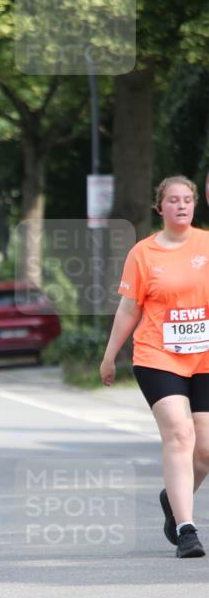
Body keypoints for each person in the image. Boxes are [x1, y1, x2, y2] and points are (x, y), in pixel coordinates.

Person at [100, 176, 208, 559]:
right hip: (157, 354)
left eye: (187, 200)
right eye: (173, 200)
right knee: (180, 435)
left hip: (205, 357)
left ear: (195, 205)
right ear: (159, 207)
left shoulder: (207, 244)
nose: (181, 206)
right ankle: (186, 528)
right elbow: (130, 308)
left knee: (206, 448)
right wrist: (110, 355)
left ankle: (172, 500)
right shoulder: (143, 254)